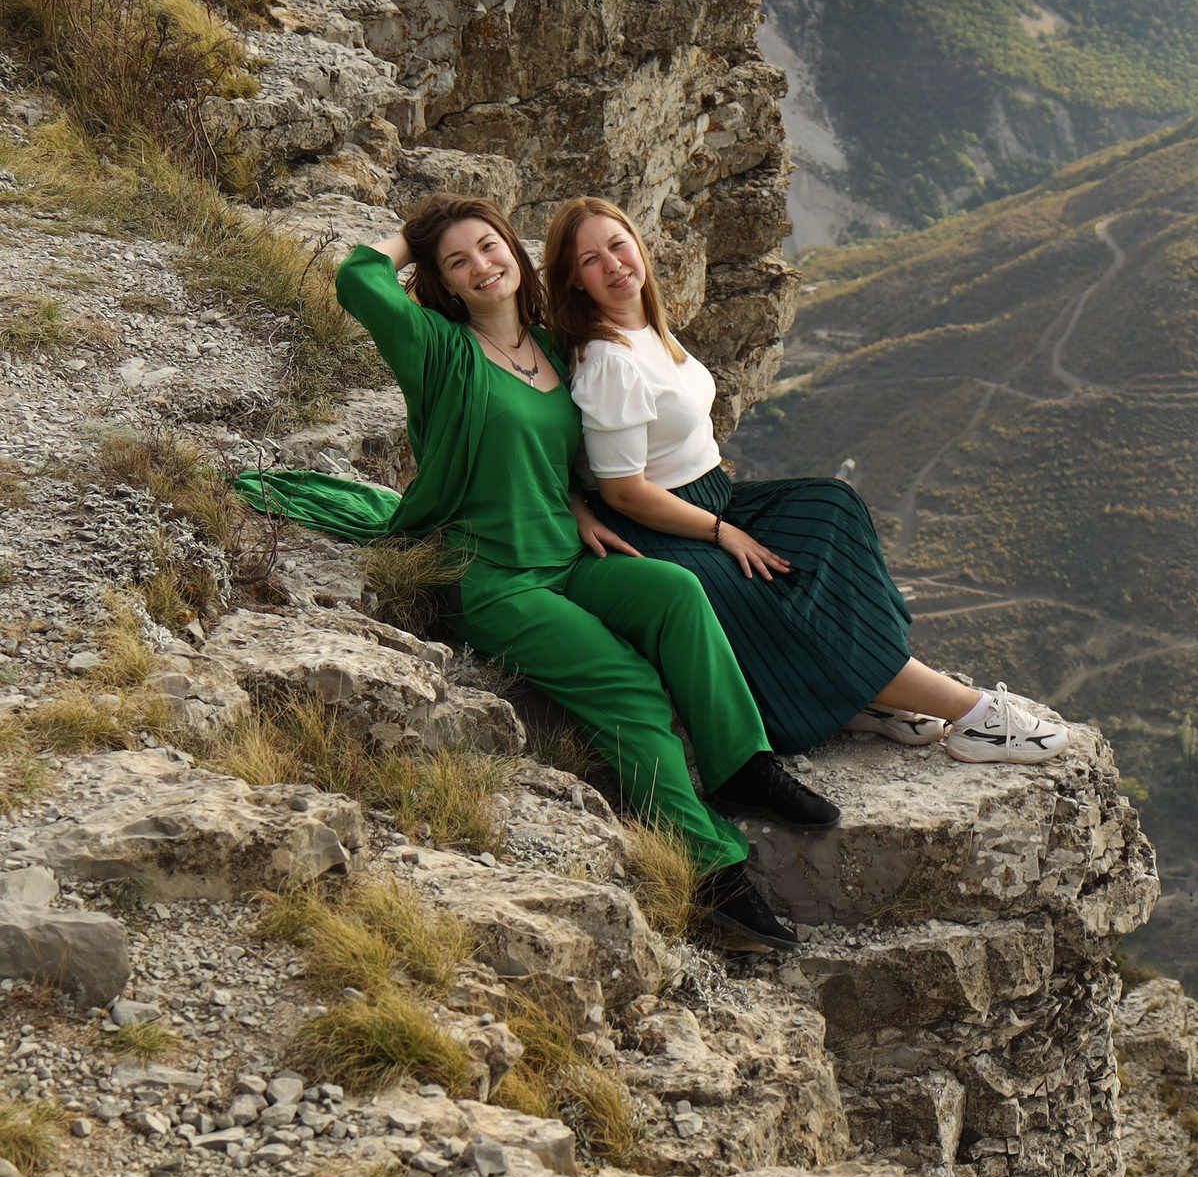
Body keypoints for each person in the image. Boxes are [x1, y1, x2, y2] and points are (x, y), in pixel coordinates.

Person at [235, 194, 832, 953]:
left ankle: (740, 765)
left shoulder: (553, 346)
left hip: (565, 555)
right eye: (458, 261)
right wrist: (415, 236)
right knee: (629, 684)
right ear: (443, 283)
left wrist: (582, 501)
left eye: (490, 247)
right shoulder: (438, 349)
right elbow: (357, 277)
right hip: (493, 578)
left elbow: (575, 455)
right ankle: (711, 870)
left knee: (677, 593)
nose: (482, 266)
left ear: (515, 256)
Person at [536, 196, 1071, 764]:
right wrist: (723, 533)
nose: (614, 264)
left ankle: (862, 697)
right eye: (591, 260)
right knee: (773, 598)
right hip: (657, 525)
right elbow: (623, 491)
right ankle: (974, 715)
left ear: (637, 248)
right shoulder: (609, 361)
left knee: (829, 509)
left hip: (712, 497)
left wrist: (722, 520)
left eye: (618, 245)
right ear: (573, 280)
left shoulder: (646, 328)